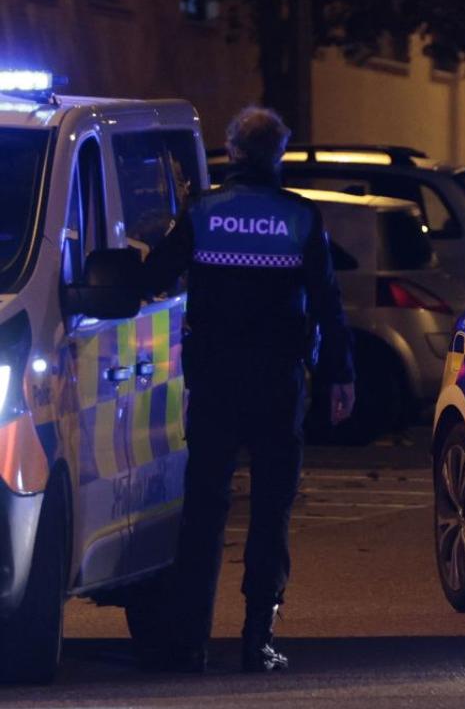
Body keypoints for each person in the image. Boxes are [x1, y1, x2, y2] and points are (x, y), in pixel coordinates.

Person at [142, 107, 355, 673]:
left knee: (204, 511)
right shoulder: (300, 218)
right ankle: (257, 639)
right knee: (269, 512)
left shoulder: (203, 211)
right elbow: (328, 304)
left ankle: (188, 643)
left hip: (214, 381)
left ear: (233, 151)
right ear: (277, 154)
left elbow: (154, 277)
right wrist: (340, 374)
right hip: (279, 384)